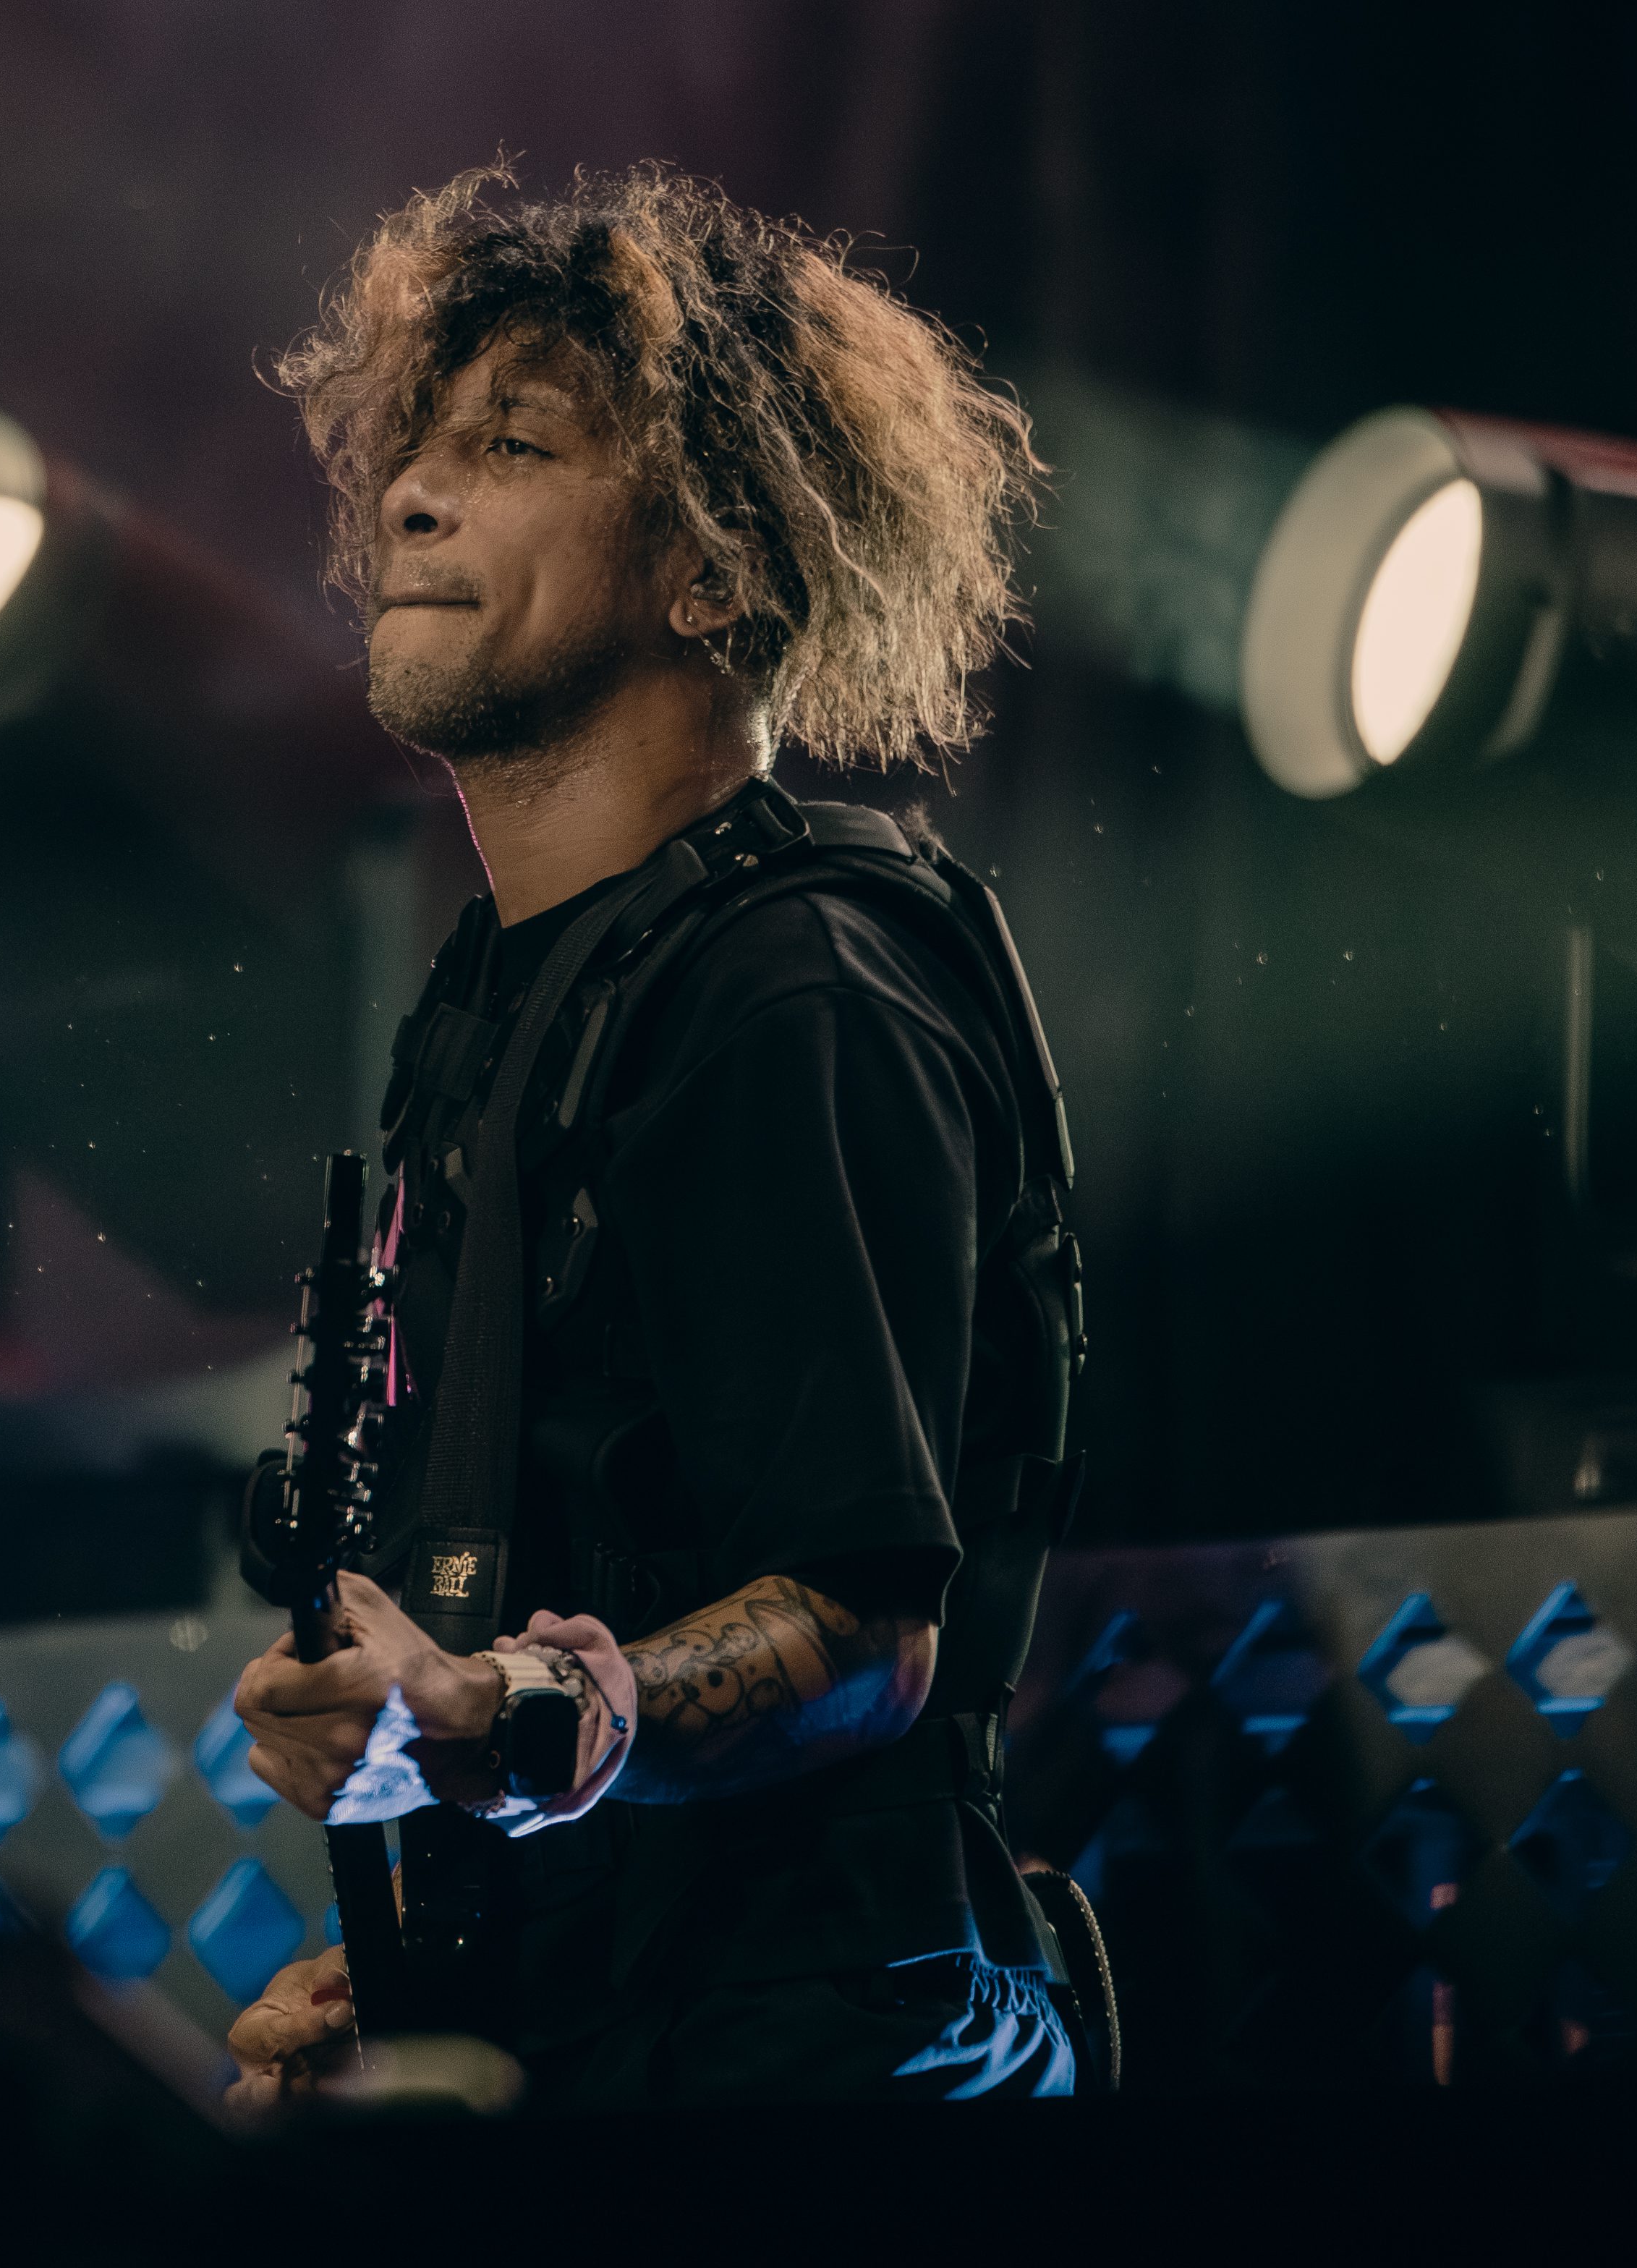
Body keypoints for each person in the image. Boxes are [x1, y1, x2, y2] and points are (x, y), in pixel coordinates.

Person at [226, 163, 1087, 2112]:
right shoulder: (506, 1003)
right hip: (617, 2033)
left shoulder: (790, 987)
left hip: (808, 2078)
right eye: (416, 449)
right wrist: (424, 1955)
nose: (411, 496)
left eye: (512, 445)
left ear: (713, 569)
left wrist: (496, 1717)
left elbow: (862, 1631)